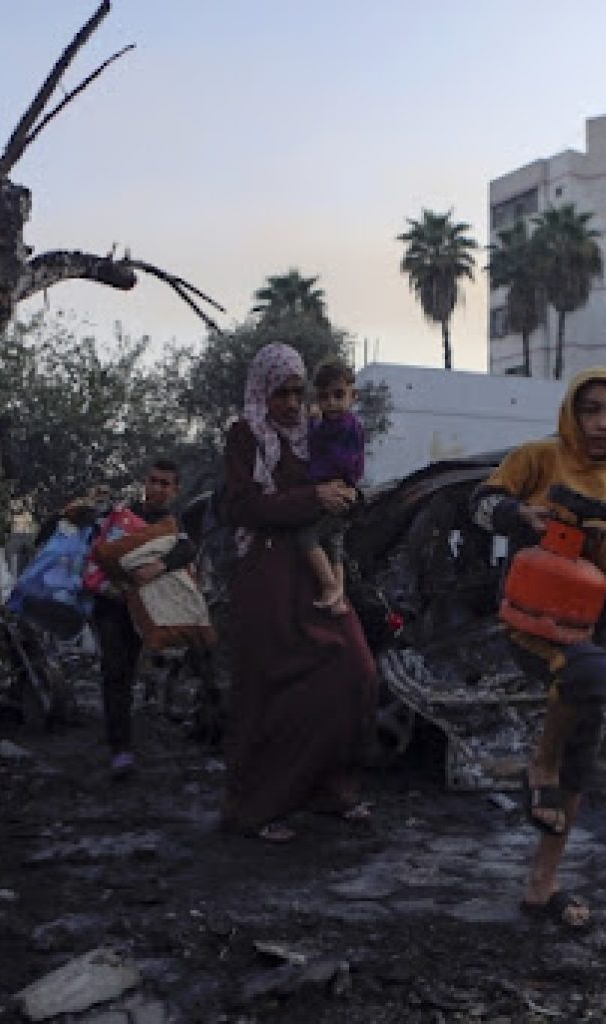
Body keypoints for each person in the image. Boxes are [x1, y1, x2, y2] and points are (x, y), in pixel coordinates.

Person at [471, 367, 606, 929]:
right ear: (572, 411)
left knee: (584, 755)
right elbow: (477, 504)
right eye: (591, 409)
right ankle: (537, 762)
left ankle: (542, 886)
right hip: (529, 622)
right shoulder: (538, 459)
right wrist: (514, 513)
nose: (601, 423)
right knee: (589, 676)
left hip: (584, 629)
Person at [221, 343, 378, 842]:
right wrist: (312, 498)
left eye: (296, 391)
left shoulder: (315, 435)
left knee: (355, 671)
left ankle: (329, 788)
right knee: (271, 693)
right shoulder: (245, 436)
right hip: (267, 578)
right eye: (280, 392)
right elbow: (243, 506)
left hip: (315, 576)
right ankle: (257, 808)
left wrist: (346, 497)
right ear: (262, 392)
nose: (290, 403)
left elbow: (342, 477)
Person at [91, 459, 194, 777]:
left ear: (175, 490)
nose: (158, 488)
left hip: (141, 609)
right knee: (114, 670)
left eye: (166, 483)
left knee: (128, 669)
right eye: (153, 481)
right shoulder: (120, 515)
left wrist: (158, 566)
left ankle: (123, 739)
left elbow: (186, 551)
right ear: (144, 483)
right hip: (109, 603)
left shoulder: (174, 529)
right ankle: (119, 749)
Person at [298, 358, 365, 616]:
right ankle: (339, 598)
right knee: (334, 544)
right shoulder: (331, 424)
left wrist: (317, 482)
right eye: (325, 397)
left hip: (337, 490)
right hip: (340, 493)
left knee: (306, 536)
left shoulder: (347, 427)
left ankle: (329, 586)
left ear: (353, 395)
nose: (332, 404)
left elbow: (339, 460)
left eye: (339, 395)